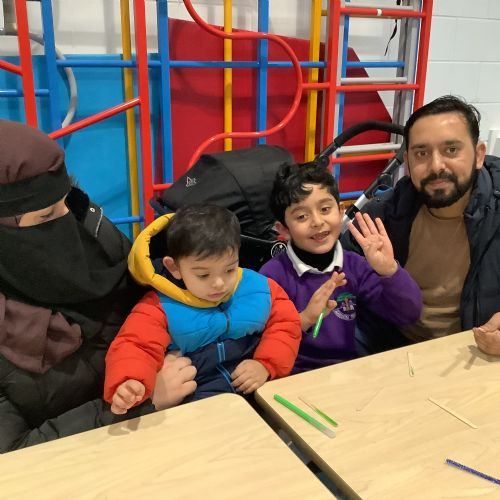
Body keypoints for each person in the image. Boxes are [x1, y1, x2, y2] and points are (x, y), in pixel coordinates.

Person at [0, 119, 196, 452]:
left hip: (172, 433)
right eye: (46, 216)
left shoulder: (94, 236)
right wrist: (139, 405)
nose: (68, 221)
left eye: (67, 201)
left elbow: (156, 312)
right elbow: (13, 453)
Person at [341, 95, 500, 356]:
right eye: (421, 153)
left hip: (473, 350)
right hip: (390, 344)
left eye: (451, 150)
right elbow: (332, 270)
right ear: (408, 161)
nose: (436, 166)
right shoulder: (384, 214)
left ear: (479, 155)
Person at [104, 204, 301, 414]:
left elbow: (285, 324)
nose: (219, 283)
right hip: (198, 401)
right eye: (203, 275)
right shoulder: (158, 307)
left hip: (257, 388)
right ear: (174, 267)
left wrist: (266, 364)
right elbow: (135, 346)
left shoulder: (260, 287)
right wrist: (130, 382)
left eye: (229, 269)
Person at [259, 162, 422, 373]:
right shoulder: (272, 276)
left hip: (348, 373)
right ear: (283, 229)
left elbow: (409, 314)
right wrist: (305, 319)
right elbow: (261, 341)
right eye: (301, 216)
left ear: (341, 210)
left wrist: (389, 270)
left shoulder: (354, 265)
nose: (317, 222)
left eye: (325, 209)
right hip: (291, 375)